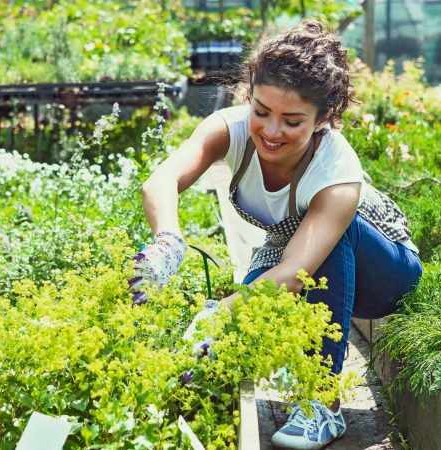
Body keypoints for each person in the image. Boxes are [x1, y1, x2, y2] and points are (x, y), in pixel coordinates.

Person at [130, 19, 423, 450]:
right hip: (300, 256)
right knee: (231, 332)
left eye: (292, 121)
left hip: (384, 273)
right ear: (250, 96)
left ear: (324, 118)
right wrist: (167, 242)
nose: (270, 131)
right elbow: (160, 181)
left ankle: (323, 403)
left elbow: (293, 273)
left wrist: (220, 311)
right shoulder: (228, 130)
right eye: (262, 111)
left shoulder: (336, 172)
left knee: (256, 297)